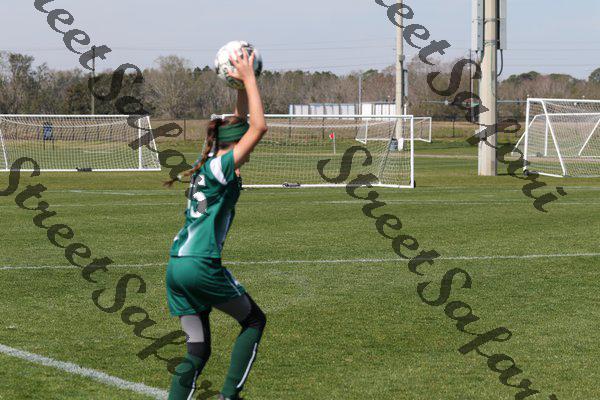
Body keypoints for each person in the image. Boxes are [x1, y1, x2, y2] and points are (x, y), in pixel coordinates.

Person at [164, 48, 268, 400]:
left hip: (176, 267)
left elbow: (240, 120)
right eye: (244, 143)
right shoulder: (222, 168)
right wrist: (250, 78)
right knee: (254, 321)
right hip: (200, 265)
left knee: (197, 350)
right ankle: (229, 396)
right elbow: (259, 126)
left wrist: (239, 85)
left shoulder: (208, 159)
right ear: (235, 144)